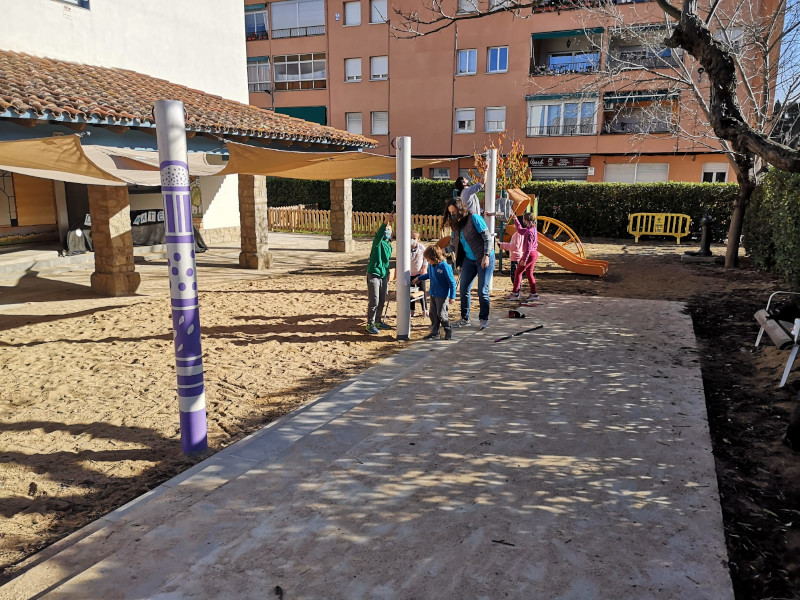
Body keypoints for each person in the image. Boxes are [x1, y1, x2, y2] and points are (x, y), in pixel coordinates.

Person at [444, 198, 495, 330]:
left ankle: (483, 319)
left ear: (461, 210)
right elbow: (453, 246)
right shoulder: (456, 226)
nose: (453, 216)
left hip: (484, 257)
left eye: (454, 212)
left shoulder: (474, 219)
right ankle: (464, 318)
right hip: (469, 259)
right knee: (464, 288)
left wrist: (486, 255)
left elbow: (488, 238)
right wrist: (441, 251)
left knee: (482, 291)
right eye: (451, 213)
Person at [413, 245, 456, 340]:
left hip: (442, 295)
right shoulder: (431, 266)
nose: (428, 261)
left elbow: (452, 282)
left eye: (428, 260)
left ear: (434, 258)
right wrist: (419, 278)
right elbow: (430, 275)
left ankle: (448, 329)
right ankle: (435, 333)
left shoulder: (445, 267)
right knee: (433, 314)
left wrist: (452, 296)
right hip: (433, 293)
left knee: (442, 314)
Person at [365, 215, 393, 335]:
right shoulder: (378, 242)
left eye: (389, 230)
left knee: (382, 299)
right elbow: (379, 234)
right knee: (374, 300)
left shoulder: (389, 246)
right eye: (386, 230)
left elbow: (386, 262)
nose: (387, 232)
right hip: (374, 273)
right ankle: (370, 323)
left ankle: (378, 321)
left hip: (383, 275)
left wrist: (387, 273)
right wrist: (386, 221)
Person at [507, 212, 539, 302]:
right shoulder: (532, 229)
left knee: (518, 272)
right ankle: (533, 293)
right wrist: (515, 219)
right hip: (534, 253)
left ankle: (515, 293)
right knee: (529, 273)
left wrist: (524, 259)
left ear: (526, 220)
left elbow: (528, 247)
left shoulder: (529, 232)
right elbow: (520, 231)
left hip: (529, 254)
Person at [409, 230, 428, 318]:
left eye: (414, 238)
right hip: (409, 274)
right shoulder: (406, 248)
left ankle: (425, 309)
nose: (412, 240)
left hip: (420, 273)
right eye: (410, 238)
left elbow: (426, 259)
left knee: (422, 291)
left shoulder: (421, 247)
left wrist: (424, 268)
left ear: (418, 239)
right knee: (410, 292)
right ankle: (412, 310)